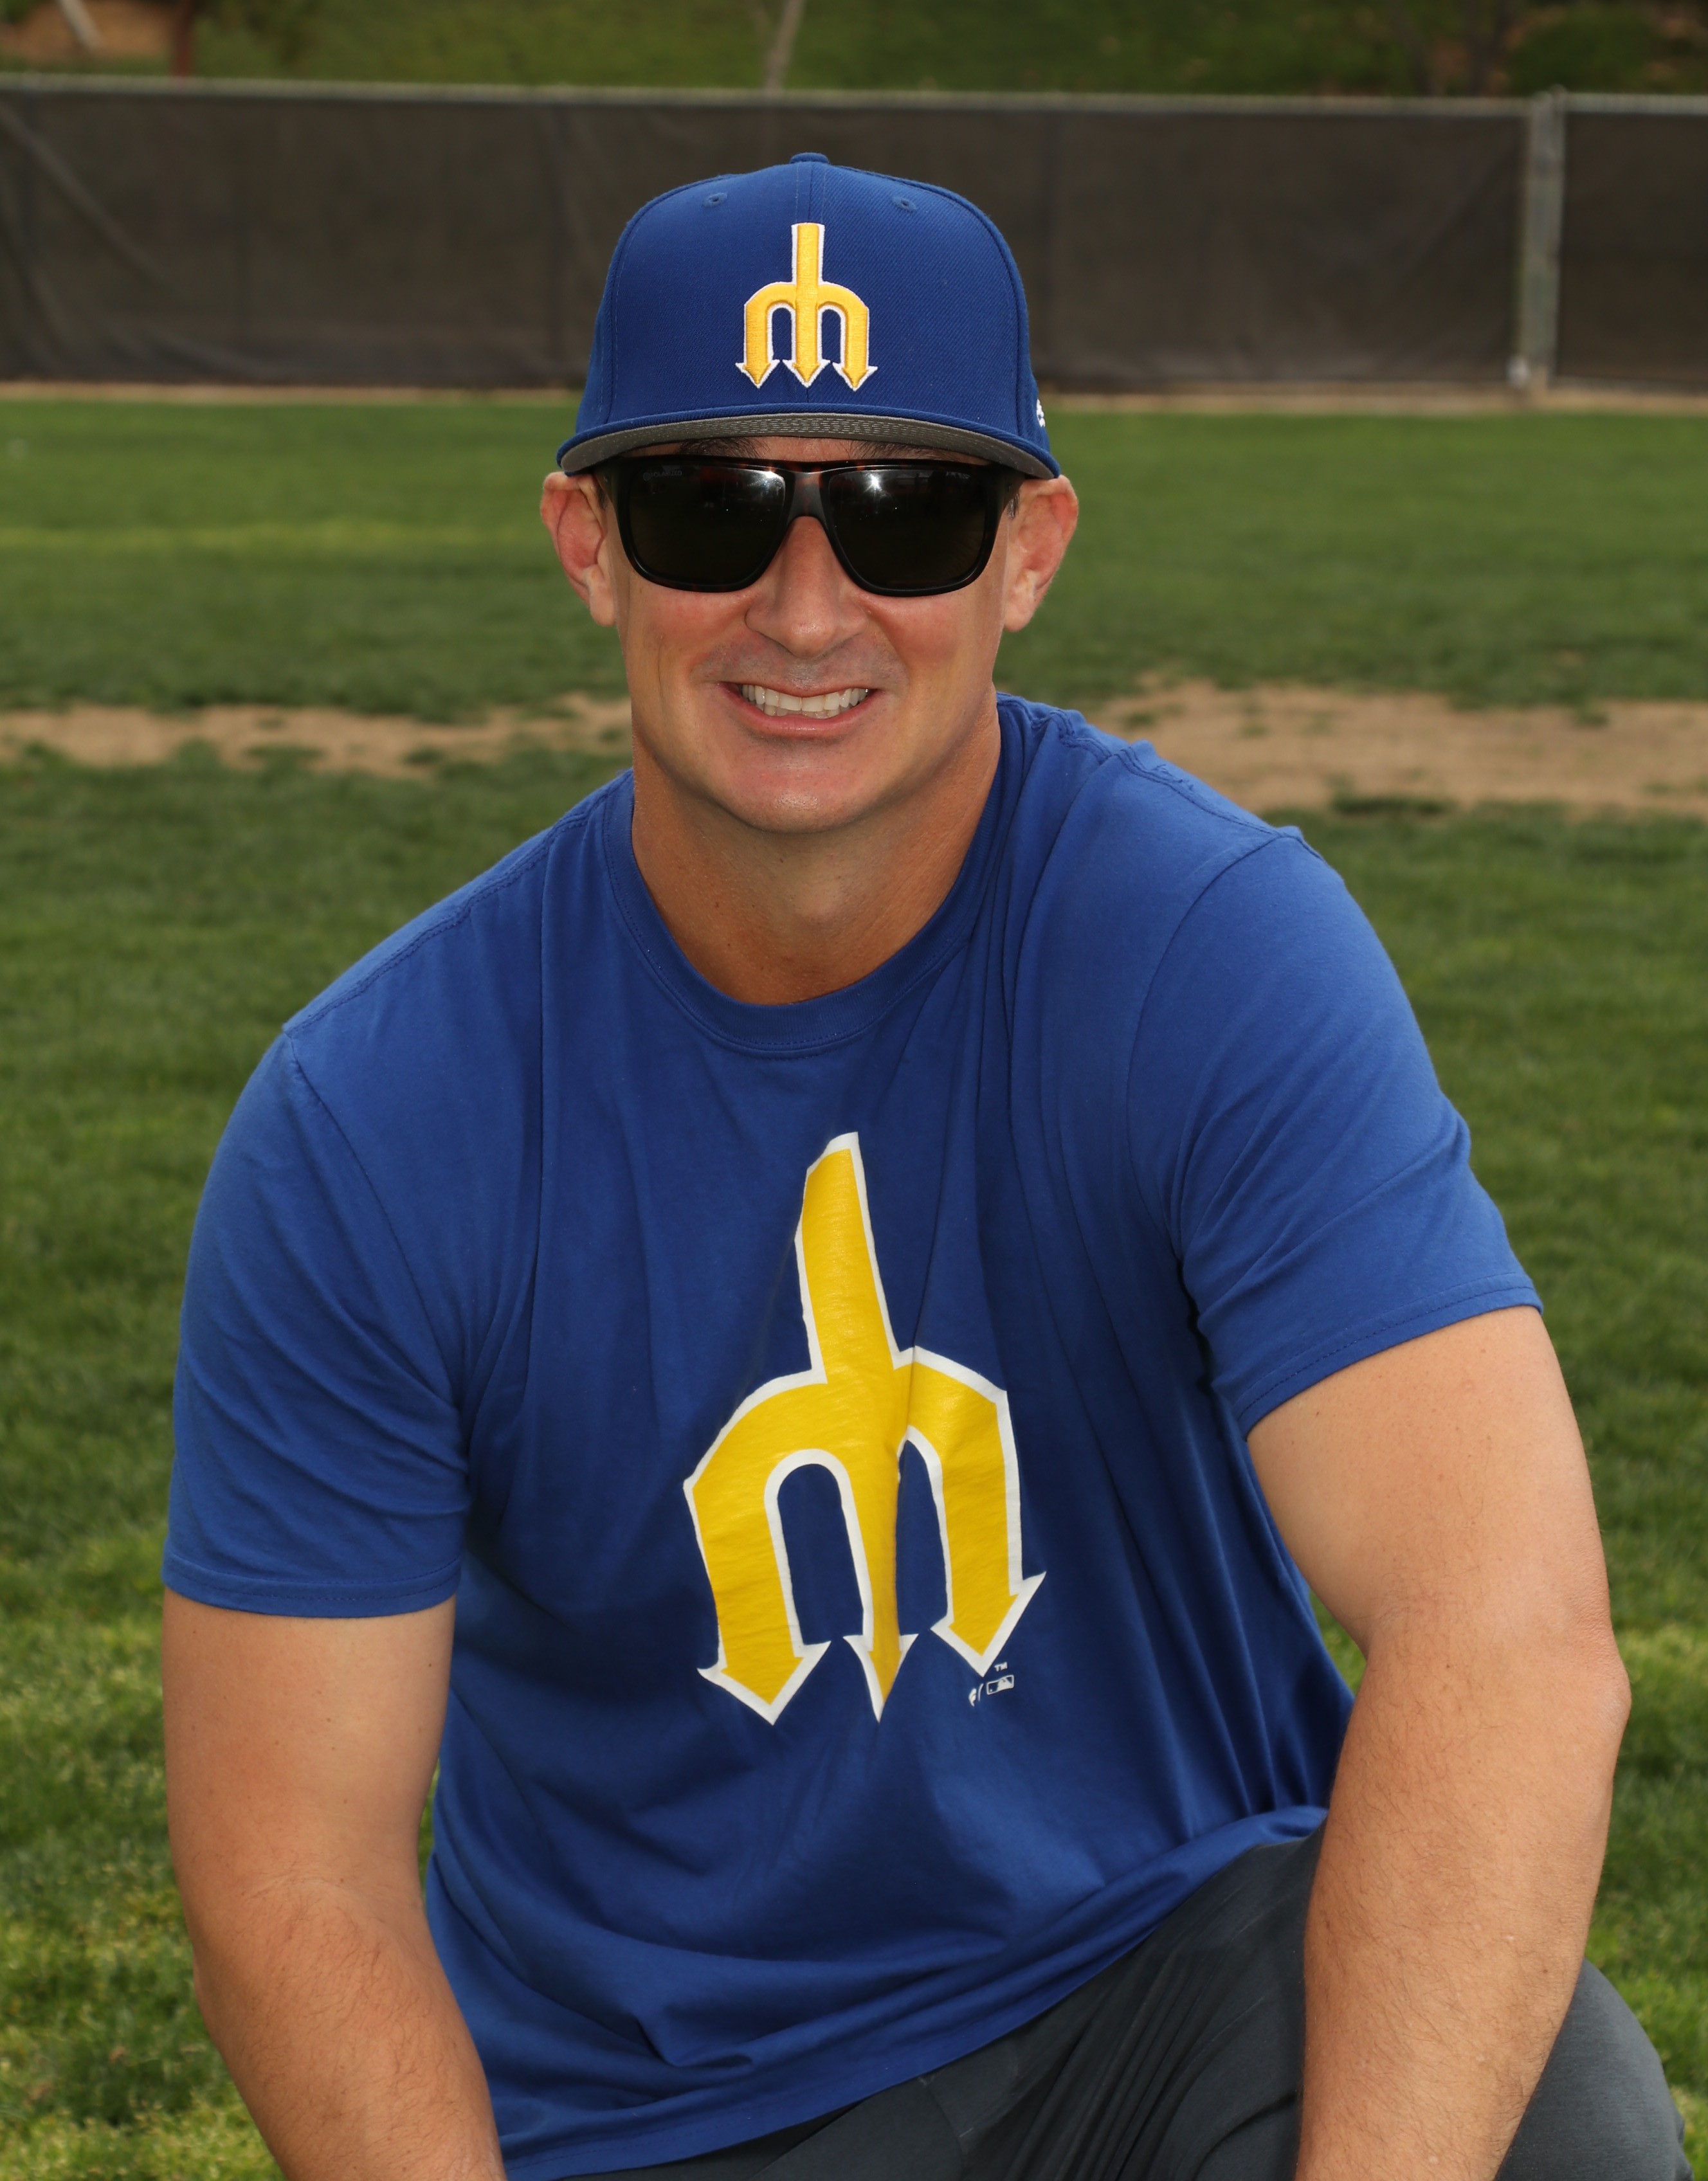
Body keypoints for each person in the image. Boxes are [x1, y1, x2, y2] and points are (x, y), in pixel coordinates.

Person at [161, 153, 1687, 2181]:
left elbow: (1502, 1629)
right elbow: (297, 1875)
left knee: (1551, 2119)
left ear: (1027, 551)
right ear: (588, 543)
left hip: (1162, 1988)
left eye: (906, 510)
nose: (807, 607)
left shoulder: (1206, 950)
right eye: (712, 509)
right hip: (654, 2110)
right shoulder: (373, 1117)